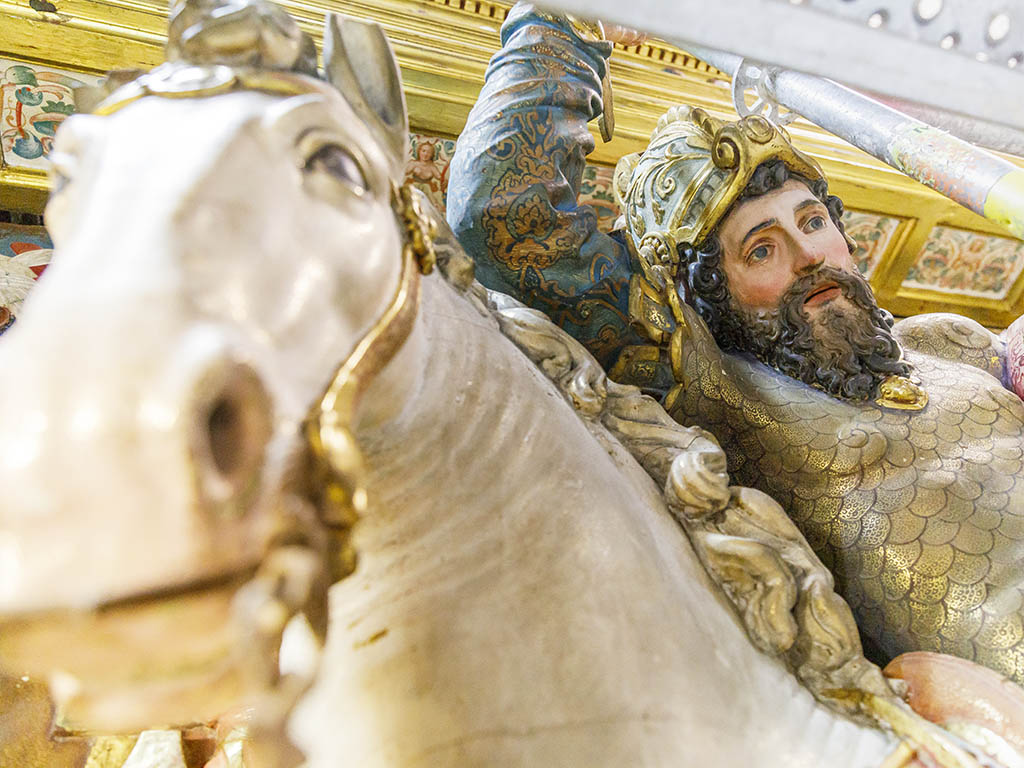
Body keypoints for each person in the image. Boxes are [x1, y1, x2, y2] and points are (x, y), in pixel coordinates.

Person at [447, 3, 1024, 682]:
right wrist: (566, 19)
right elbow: (502, 213)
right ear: (709, 299)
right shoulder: (717, 391)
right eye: (761, 250)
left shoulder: (954, 340)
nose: (810, 257)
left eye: (814, 221)